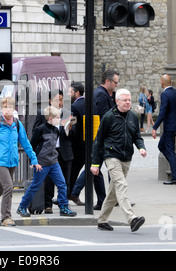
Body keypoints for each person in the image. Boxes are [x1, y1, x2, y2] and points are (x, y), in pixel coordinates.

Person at [0, 97, 39, 226]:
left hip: (12, 160)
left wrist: (34, 158)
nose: (8, 110)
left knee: (1, 186)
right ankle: (6, 217)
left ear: (14, 108)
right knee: (9, 186)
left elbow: (25, 143)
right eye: (5, 107)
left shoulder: (17, 124)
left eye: (10, 107)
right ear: (1, 108)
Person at [91, 88, 147, 232]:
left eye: (129, 100)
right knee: (121, 185)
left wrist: (141, 147)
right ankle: (131, 218)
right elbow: (98, 140)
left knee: (114, 192)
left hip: (126, 158)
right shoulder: (109, 117)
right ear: (117, 101)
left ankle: (102, 220)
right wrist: (95, 163)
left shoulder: (133, 116)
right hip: (111, 156)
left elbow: (137, 136)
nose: (128, 102)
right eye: (125, 100)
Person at [69, 70, 119, 209]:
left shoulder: (101, 94)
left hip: (96, 138)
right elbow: (105, 118)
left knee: (95, 168)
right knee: (95, 167)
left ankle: (79, 193)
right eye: (115, 82)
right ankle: (106, 199)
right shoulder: (101, 95)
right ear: (108, 81)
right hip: (99, 138)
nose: (116, 85)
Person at [17, 106, 77, 217]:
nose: (59, 119)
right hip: (41, 163)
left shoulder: (56, 130)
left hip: (53, 162)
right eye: (57, 117)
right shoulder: (40, 130)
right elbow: (32, 146)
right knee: (35, 185)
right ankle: (22, 207)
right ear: (50, 118)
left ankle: (63, 207)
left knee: (62, 184)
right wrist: (33, 162)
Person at [32, 90, 74, 214]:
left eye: (61, 99)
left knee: (65, 181)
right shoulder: (43, 114)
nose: (60, 102)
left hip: (64, 151)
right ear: (50, 101)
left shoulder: (69, 114)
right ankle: (47, 204)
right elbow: (36, 131)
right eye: (57, 100)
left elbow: (75, 133)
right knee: (48, 181)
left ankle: (64, 205)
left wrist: (68, 129)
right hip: (47, 153)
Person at [151, 74, 176, 185]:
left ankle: (175, 177)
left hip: (169, 127)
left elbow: (162, 113)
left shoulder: (165, 94)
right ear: (171, 82)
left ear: (162, 83)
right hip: (175, 125)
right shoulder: (175, 92)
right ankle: (175, 169)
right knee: (161, 146)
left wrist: (154, 127)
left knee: (170, 150)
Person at [68, 82, 85, 202]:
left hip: (77, 146)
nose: (69, 94)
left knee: (72, 173)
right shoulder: (89, 103)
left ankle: (66, 196)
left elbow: (73, 128)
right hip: (87, 143)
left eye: (70, 92)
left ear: (77, 93)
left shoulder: (74, 107)